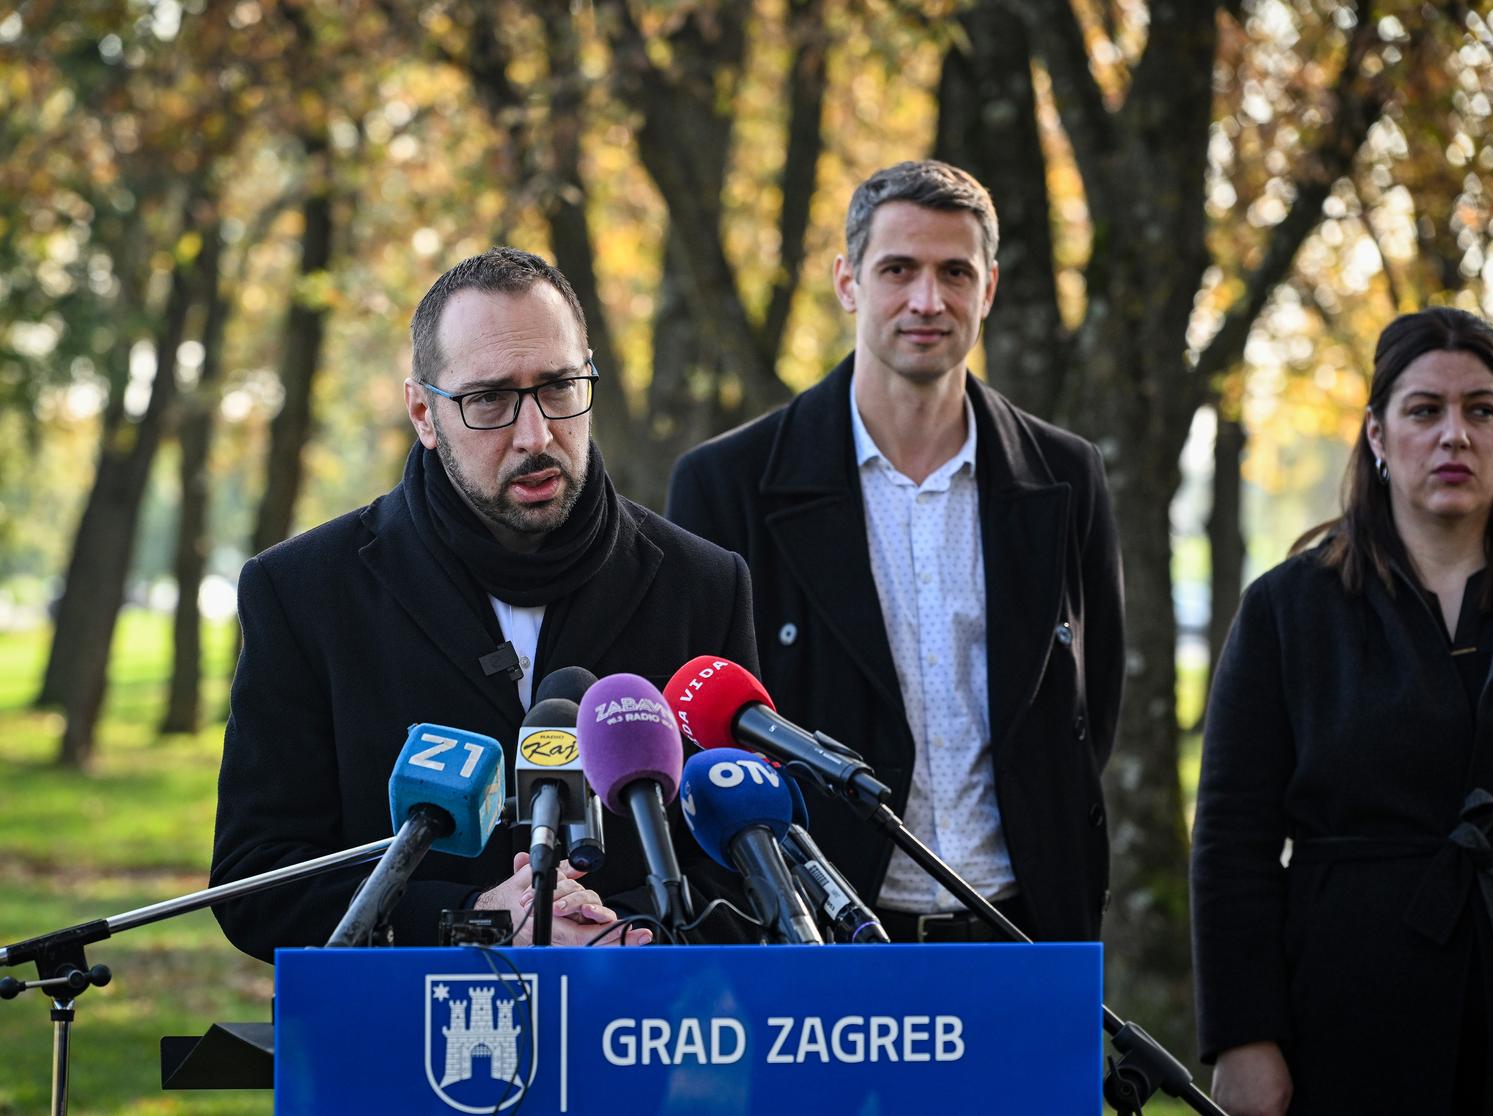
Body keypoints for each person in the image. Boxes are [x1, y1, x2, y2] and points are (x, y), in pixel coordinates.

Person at [211, 248, 759, 960]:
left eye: (559, 387)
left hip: (636, 1040)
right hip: (399, 1051)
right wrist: (470, 917)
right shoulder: (304, 593)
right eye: (489, 400)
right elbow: (259, 881)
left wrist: (627, 931)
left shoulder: (705, 586)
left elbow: (748, 862)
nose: (535, 435)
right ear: (423, 413)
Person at [666, 160, 1125, 943]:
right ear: (848, 282)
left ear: (988, 289)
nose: (927, 300)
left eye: (954, 272)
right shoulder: (726, 486)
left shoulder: (1066, 478)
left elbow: (1091, 706)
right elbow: (697, 738)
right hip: (817, 934)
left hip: (1021, 929)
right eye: (898, 269)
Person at [1191, 306, 1493, 1114]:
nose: (1456, 435)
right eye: (1425, 411)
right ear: (1377, 435)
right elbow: (1232, 842)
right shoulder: (1289, 608)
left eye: (1481, 410)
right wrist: (1244, 1037)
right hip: (1351, 1016)